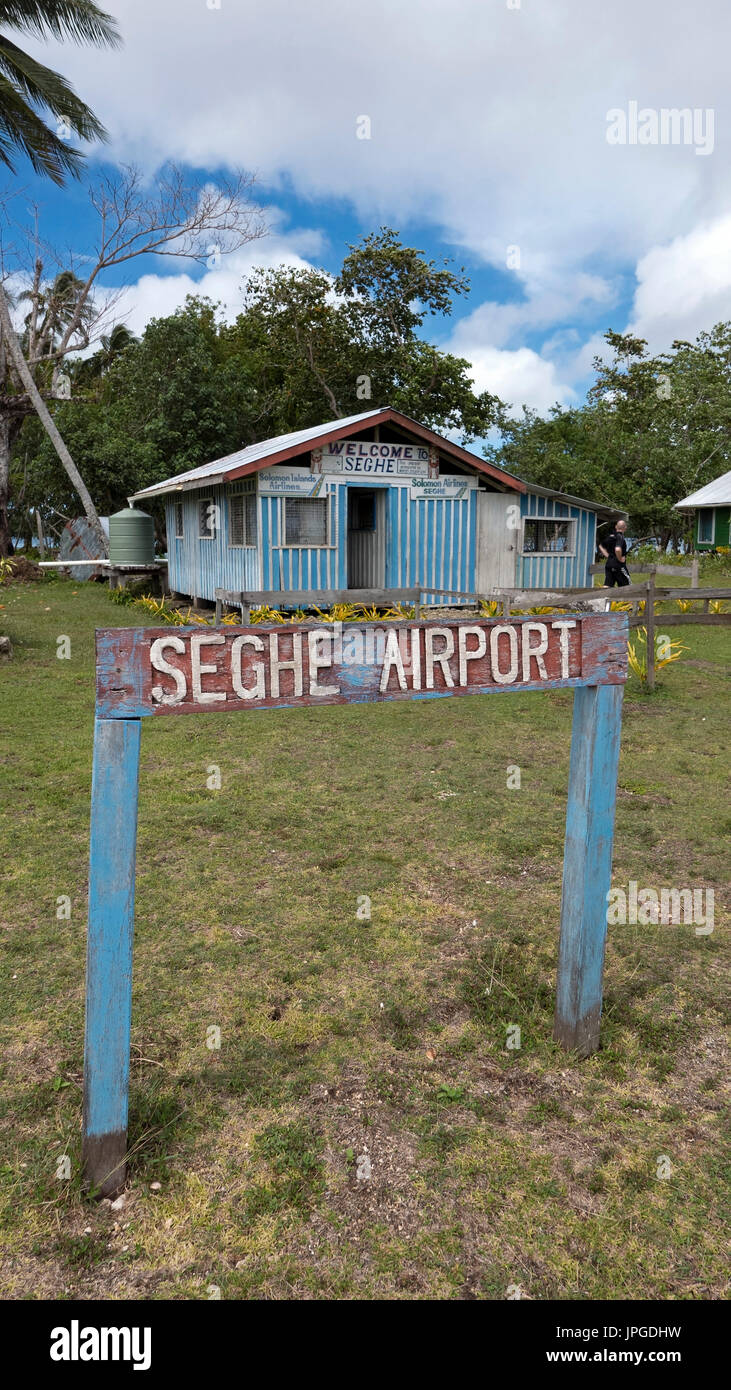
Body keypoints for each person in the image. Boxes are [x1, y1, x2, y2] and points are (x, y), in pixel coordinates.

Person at [599, 518, 631, 587]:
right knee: (627, 586)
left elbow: (601, 546)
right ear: (625, 528)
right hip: (618, 565)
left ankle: (603, 597)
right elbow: (617, 549)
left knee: (607, 586)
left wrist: (608, 556)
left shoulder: (610, 537)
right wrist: (619, 559)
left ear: (616, 527)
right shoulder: (620, 537)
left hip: (609, 564)